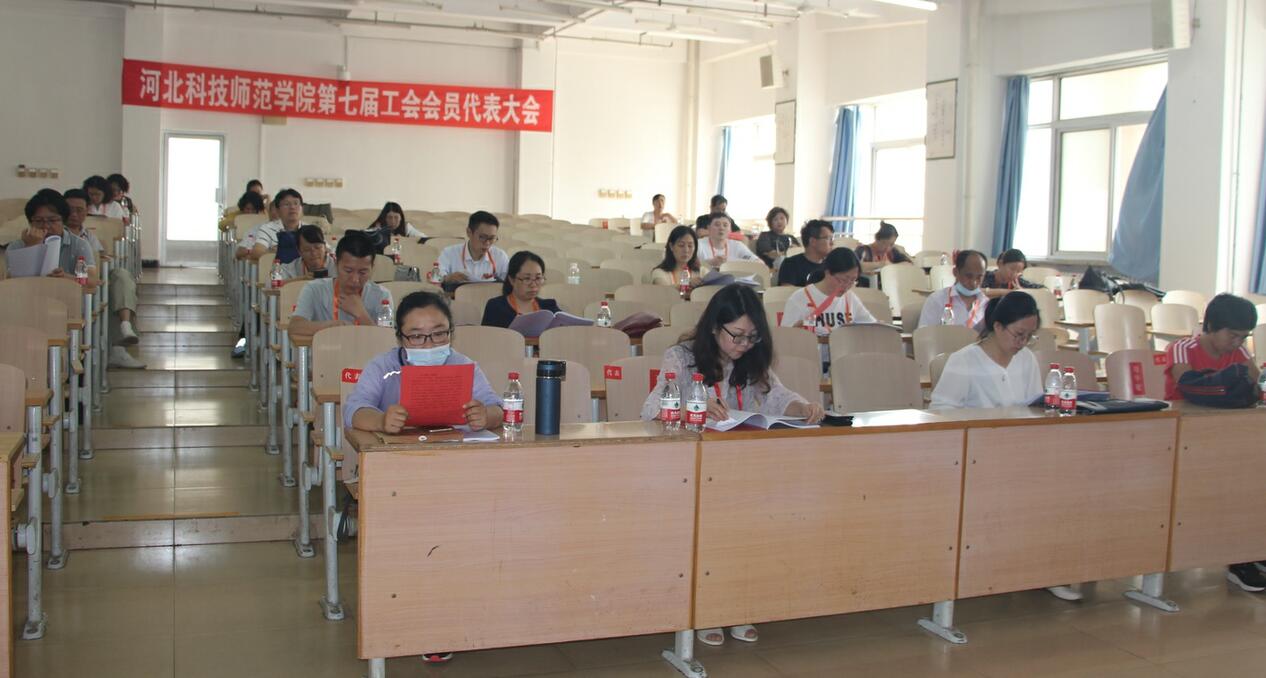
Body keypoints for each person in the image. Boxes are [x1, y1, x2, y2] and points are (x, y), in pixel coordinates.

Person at [641, 284, 823, 646]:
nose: (743, 345)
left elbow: (777, 396)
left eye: (752, 337)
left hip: (737, 466)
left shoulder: (751, 360)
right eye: (736, 335)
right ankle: (705, 610)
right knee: (708, 532)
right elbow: (650, 408)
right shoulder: (681, 357)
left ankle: (736, 604)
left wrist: (803, 407)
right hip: (691, 467)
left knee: (746, 533)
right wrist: (690, 407)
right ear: (714, 327)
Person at [929, 292, 1084, 602]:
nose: (1023, 343)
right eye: (1018, 334)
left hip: (1020, 451)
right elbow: (941, 412)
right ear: (998, 327)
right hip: (976, 454)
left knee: (1062, 486)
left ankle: (1047, 570)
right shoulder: (964, 361)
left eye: (1029, 336)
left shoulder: (1026, 360)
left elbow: (1034, 407)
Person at [1162, 294, 1263, 591]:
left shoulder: (1239, 351)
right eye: (1233, 335)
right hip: (1184, 435)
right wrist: (1230, 381)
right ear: (1211, 326)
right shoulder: (1182, 348)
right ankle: (1238, 558)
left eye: (1243, 337)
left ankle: (1249, 550)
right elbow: (1188, 385)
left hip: (1226, 433)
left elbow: (1254, 382)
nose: (1238, 343)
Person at [63, 189, 147, 368]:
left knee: (120, 277)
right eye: (69, 209)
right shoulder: (56, 235)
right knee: (106, 294)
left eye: (79, 210)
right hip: (68, 285)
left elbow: (98, 262)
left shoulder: (89, 237)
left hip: (89, 281)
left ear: (87, 211)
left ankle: (125, 326)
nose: (74, 214)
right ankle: (117, 348)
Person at [288, 231, 393, 341]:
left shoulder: (382, 296)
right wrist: (329, 327)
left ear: (372, 268)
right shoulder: (314, 289)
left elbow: (387, 341)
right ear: (336, 264)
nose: (355, 279)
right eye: (348, 271)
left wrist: (361, 315)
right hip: (326, 350)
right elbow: (295, 327)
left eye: (362, 272)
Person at [779, 248, 876, 337]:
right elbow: (785, 337)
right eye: (842, 280)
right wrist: (796, 330)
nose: (846, 286)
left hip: (842, 350)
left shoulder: (850, 298)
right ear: (828, 272)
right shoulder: (800, 298)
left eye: (853, 280)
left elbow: (872, 326)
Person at [480, 251, 561, 328]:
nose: (533, 285)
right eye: (527, 278)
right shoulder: (496, 307)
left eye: (538, 278)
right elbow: (487, 336)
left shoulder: (549, 307)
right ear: (512, 280)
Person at [437, 210, 510, 287]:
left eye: (492, 238)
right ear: (469, 232)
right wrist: (447, 278)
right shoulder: (449, 253)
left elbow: (509, 283)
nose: (487, 243)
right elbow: (436, 278)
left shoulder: (500, 256)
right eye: (482, 237)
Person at [919, 250, 988, 331]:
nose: (974, 282)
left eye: (979, 277)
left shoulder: (986, 304)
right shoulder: (936, 300)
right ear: (955, 272)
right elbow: (924, 335)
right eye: (969, 276)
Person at [236, 188, 307, 262]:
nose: (292, 207)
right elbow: (257, 252)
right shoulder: (266, 228)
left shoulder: (310, 230)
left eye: (296, 203)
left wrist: (277, 252)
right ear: (278, 210)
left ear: (302, 209)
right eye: (287, 204)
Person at [775, 220, 831, 287]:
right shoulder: (791, 264)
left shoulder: (831, 265)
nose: (832, 243)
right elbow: (786, 292)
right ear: (813, 241)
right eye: (828, 238)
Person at [649, 226, 703, 291]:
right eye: (681, 245)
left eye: (690, 246)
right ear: (671, 246)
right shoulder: (659, 272)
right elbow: (664, 290)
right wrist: (686, 284)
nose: (686, 250)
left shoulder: (701, 272)